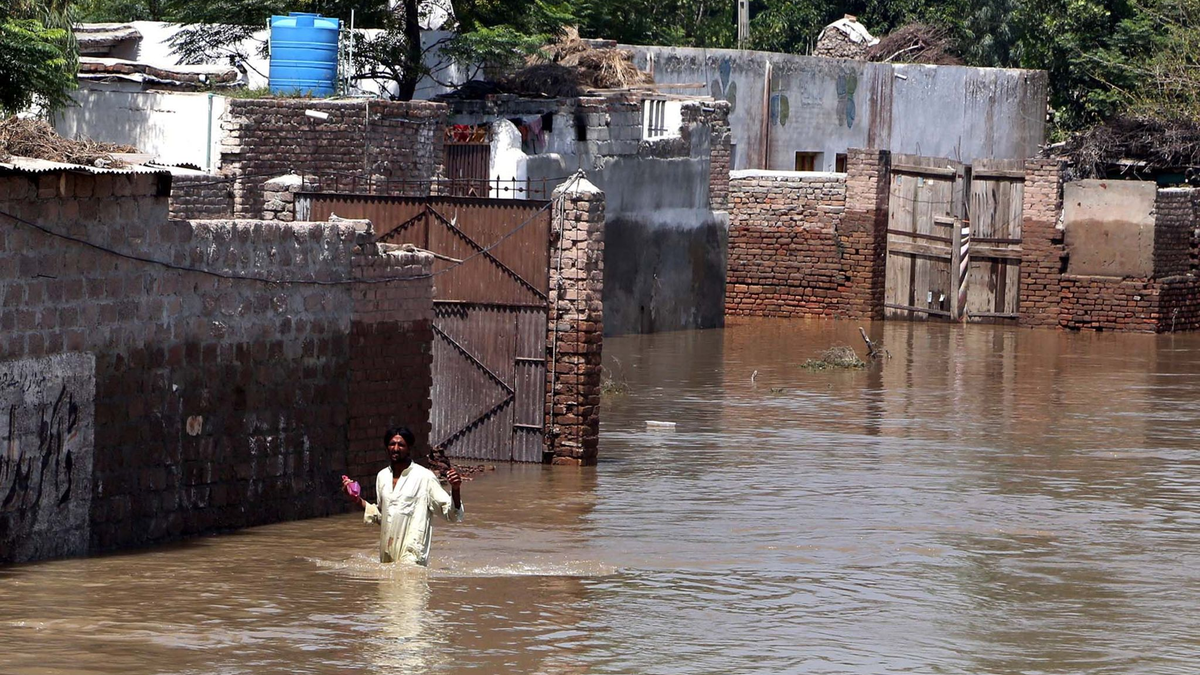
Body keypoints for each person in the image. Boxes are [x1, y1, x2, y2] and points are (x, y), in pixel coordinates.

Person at [343, 426, 463, 565]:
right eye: (392, 444)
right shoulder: (382, 476)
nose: (395, 448)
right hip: (387, 557)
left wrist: (455, 489)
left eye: (401, 445)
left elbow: (452, 514)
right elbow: (383, 516)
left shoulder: (424, 477)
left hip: (412, 560)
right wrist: (356, 500)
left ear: (409, 448)